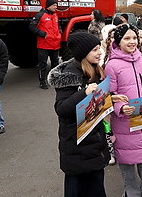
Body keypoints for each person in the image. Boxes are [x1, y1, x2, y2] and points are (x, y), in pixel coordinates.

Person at [47, 32, 110, 197]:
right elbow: (61, 109)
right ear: (83, 53)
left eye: (99, 48)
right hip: (76, 146)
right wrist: (84, 93)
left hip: (94, 143)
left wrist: (111, 98)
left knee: (96, 187)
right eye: (95, 49)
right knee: (77, 190)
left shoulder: (95, 70)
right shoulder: (70, 76)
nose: (100, 52)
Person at [104, 24, 142, 197]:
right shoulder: (112, 65)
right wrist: (120, 108)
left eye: (134, 37)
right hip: (124, 125)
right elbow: (109, 96)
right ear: (118, 41)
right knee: (128, 172)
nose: (132, 41)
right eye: (127, 38)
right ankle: (131, 194)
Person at [29, 0, 61, 89]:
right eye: (54, 5)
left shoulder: (55, 15)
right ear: (49, 6)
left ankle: (55, 80)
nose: (56, 7)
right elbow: (32, 26)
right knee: (43, 64)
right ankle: (42, 82)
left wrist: (59, 33)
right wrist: (42, 34)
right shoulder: (40, 15)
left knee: (55, 64)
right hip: (44, 44)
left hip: (55, 44)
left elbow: (57, 26)